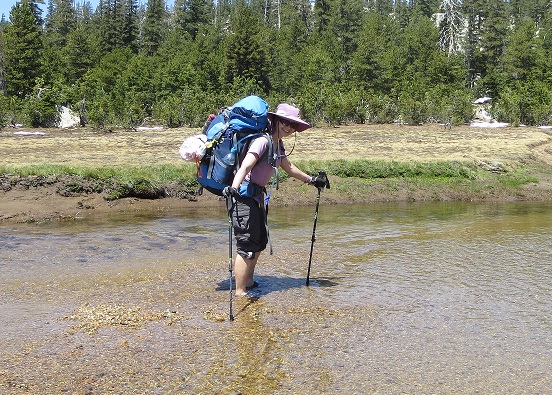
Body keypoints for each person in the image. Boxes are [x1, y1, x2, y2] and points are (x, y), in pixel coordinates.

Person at [222, 103, 328, 296]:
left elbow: (289, 167)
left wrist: (312, 180)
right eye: (285, 122)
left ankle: (250, 281)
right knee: (246, 246)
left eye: (292, 125)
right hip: (243, 198)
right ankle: (239, 291)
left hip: (257, 198)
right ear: (275, 120)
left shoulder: (277, 144)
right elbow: (246, 166)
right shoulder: (262, 141)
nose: (288, 127)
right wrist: (233, 189)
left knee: (259, 242)